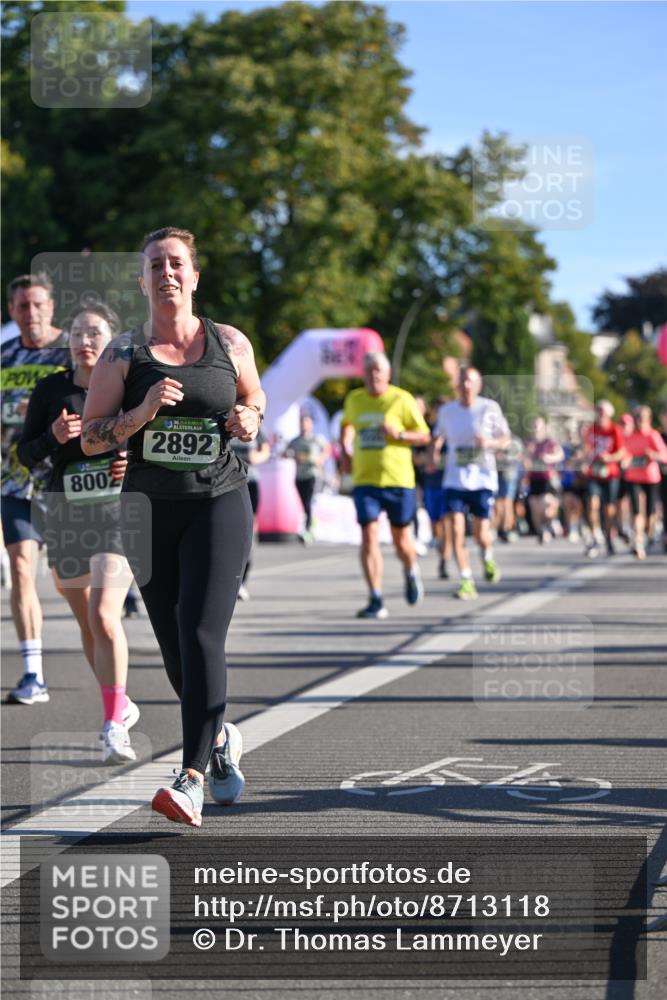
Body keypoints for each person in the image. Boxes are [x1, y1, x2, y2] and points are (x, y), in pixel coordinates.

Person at [81, 226, 265, 828]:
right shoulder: (122, 355)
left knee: (199, 629)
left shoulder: (230, 341)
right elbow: (90, 437)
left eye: (177, 263)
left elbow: (255, 399)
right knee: (173, 646)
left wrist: (248, 417)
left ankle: (189, 779)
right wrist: (142, 412)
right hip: (148, 510)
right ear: (142, 280)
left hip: (219, 498)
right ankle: (217, 740)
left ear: (194, 275)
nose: (167, 273)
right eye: (156, 264)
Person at [17, 304, 140, 762]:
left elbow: (150, 438)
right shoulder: (51, 389)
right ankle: (121, 702)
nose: (85, 340)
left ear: (111, 340)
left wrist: (132, 460)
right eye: (77, 333)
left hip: (115, 514)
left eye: (95, 333)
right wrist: (53, 436)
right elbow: (27, 455)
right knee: (87, 622)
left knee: (105, 614)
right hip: (65, 513)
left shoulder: (128, 387)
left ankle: (111, 722)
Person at [1, 273, 70, 705]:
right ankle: (33, 674)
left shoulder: (73, 353)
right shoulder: (5, 357)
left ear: (52, 307)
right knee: (22, 570)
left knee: (72, 585)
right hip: (14, 481)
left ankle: (112, 682)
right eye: (23, 306)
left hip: (66, 482)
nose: (31, 314)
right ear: (11, 311)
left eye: (38, 305)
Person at [340, 352, 430, 619]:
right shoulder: (354, 399)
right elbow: (347, 425)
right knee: (368, 537)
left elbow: (424, 435)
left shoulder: (401, 399)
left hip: (398, 480)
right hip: (365, 479)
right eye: (368, 370)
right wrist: (345, 447)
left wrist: (399, 434)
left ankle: (411, 570)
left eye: (378, 370)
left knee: (402, 542)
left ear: (388, 374)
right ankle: (375, 597)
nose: (373, 375)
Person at [431, 366, 510, 600]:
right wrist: (433, 454)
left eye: (471, 382)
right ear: (458, 385)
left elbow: (505, 439)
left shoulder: (489, 408)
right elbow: (438, 435)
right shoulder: (447, 411)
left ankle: (487, 556)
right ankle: (466, 580)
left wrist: (489, 444)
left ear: (478, 386)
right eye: (463, 381)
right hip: (455, 480)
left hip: (482, 479)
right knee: (455, 530)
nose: (466, 386)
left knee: (480, 534)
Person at [621, 406, 667, 559]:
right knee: (636, 512)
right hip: (633, 477)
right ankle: (638, 542)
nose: (641, 421)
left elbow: (664, 455)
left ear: (649, 419)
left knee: (649, 514)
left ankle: (649, 533)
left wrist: (653, 454)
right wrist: (625, 460)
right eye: (638, 417)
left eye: (644, 418)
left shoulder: (653, 435)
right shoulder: (630, 436)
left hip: (651, 478)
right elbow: (624, 453)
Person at [230, 427, 270, 599]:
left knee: (248, 533)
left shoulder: (252, 419)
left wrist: (257, 457)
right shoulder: (221, 415)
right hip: (225, 481)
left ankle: (241, 582)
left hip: (250, 481)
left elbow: (266, 449)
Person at [582, 400, 626, 557]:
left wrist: (609, 457)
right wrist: (586, 459)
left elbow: (622, 452)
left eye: (603, 411)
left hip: (610, 473)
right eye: (598, 410)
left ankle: (608, 536)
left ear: (609, 414)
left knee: (608, 509)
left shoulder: (615, 430)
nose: (600, 414)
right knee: (592, 504)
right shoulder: (591, 430)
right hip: (594, 472)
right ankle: (595, 535)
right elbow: (585, 449)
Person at [284, 412, 330, 544]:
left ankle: (308, 529)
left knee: (309, 502)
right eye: (302, 423)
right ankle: (308, 527)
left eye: (307, 422)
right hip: (299, 475)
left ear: (311, 424)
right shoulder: (296, 441)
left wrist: (320, 459)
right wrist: (293, 456)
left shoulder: (316, 439)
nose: (304, 425)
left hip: (312, 474)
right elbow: (286, 453)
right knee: (303, 503)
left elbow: (327, 449)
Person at [523, 416, 564, 545]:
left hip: (547, 477)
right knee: (534, 505)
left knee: (547, 503)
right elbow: (523, 458)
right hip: (533, 478)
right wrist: (526, 460)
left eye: (538, 425)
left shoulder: (549, 442)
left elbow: (560, 455)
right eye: (534, 426)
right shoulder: (529, 443)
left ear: (543, 427)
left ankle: (552, 521)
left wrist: (548, 458)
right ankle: (542, 531)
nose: (535, 428)